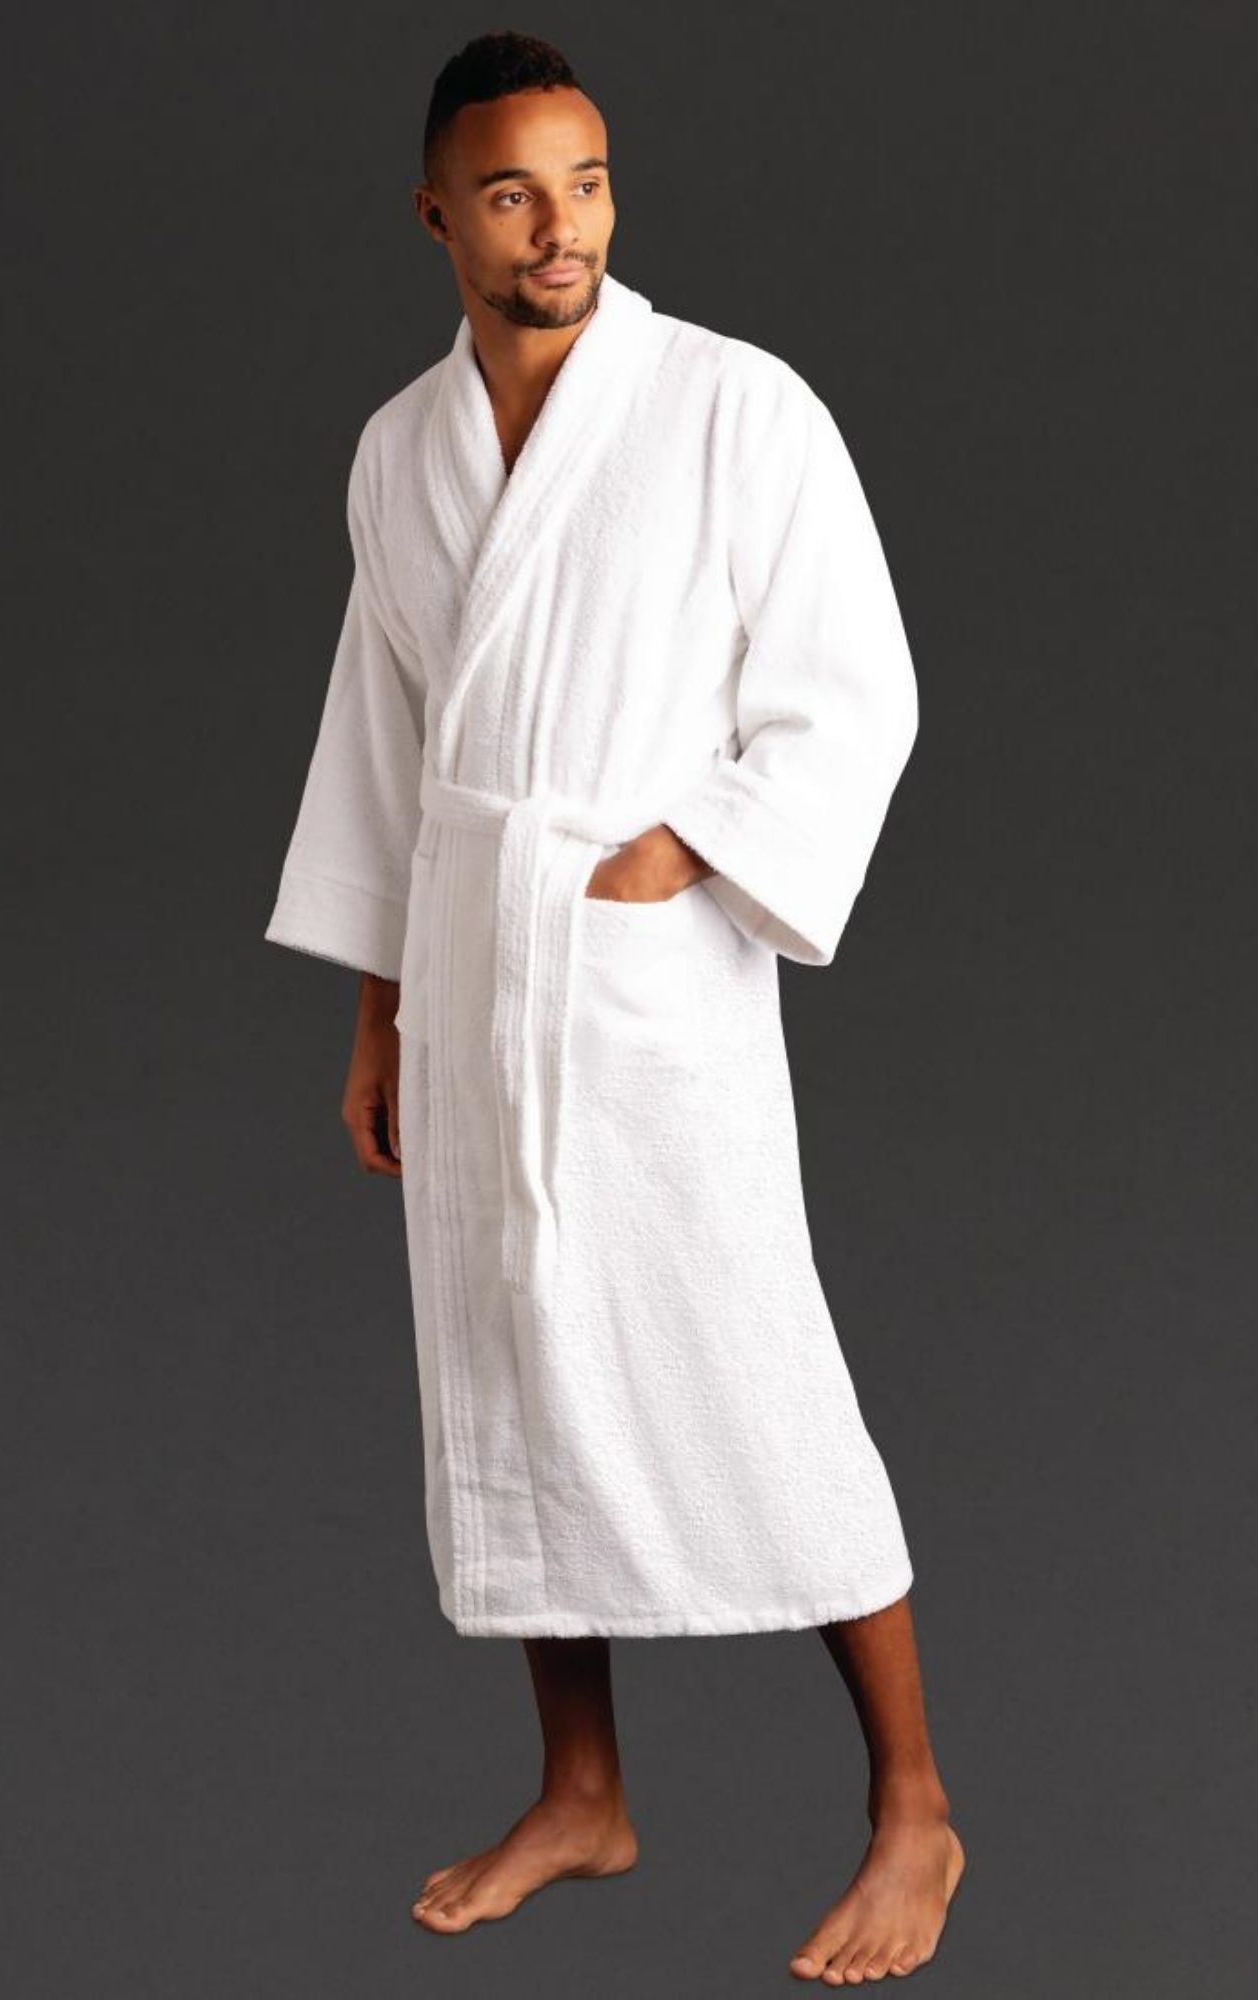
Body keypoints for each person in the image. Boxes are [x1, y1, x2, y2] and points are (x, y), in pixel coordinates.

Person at [263, 30, 966, 1983]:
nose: (558, 226)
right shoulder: (397, 451)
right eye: (511, 193)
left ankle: (914, 1802)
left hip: (647, 976)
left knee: (753, 1360)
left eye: (583, 184)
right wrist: (381, 1011)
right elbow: (391, 745)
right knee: (507, 1362)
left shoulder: (736, 407)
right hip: (477, 959)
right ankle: (583, 1787)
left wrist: (697, 847)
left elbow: (854, 686)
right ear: (437, 214)